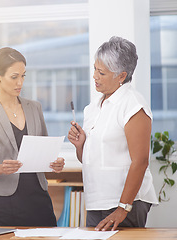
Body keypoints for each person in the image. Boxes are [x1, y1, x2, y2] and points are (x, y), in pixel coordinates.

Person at [68, 36, 158, 231]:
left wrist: (123, 208)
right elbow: (90, 160)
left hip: (125, 204)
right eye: (94, 69)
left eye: (101, 72)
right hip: (95, 202)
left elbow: (141, 161)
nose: (94, 76)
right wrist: (80, 145)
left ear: (121, 76)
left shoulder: (133, 104)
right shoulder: (92, 108)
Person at [0, 47, 65, 227]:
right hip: (5, 203)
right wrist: (0, 169)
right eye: (14, 77)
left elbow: (45, 152)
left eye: (23, 76)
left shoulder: (34, 108)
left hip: (39, 198)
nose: (20, 82)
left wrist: (55, 163)